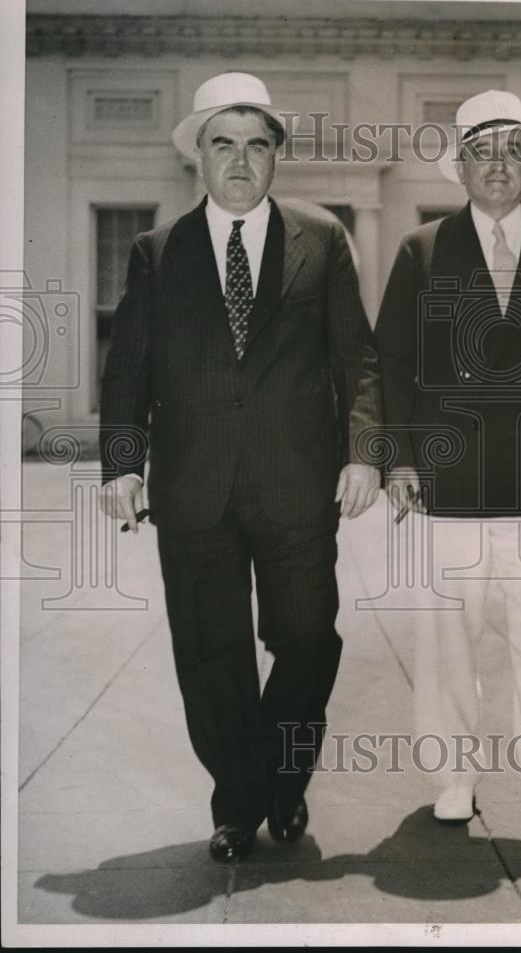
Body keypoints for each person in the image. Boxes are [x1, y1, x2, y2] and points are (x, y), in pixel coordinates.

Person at [99, 72, 382, 863]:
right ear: (198, 155)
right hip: (194, 489)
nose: (240, 159)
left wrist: (365, 451)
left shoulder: (321, 239)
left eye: (258, 144)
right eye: (223, 143)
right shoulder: (159, 253)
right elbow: (129, 370)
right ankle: (239, 803)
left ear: (276, 159)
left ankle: (282, 778)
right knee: (210, 651)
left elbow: (357, 359)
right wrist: (123, 464)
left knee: (306, 638)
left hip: (297, 483)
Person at [374, 90, 521, 858]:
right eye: (484, 151)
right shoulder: (421, 250)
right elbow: (392, 365)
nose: (499, 166)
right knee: (451, 636)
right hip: (451, 482)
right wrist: (401, 458)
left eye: (514, 150)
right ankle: (453, 775)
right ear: (462, 167)